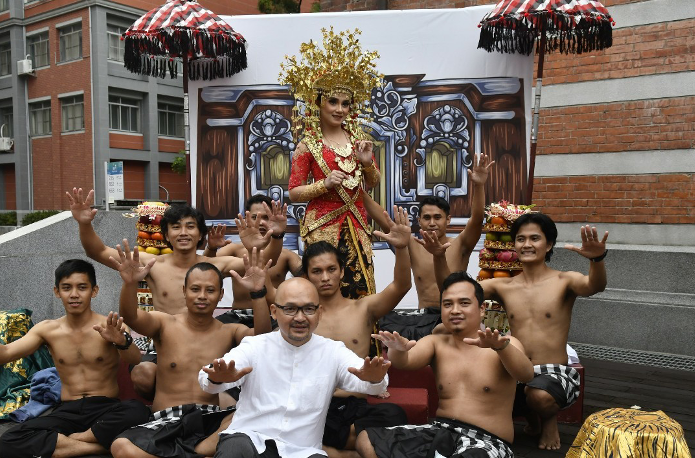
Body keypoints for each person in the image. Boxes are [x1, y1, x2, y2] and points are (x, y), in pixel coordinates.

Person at [174, 278, 391, 458]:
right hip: (250, 443)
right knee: (231, 450)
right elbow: (207, 379)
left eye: (308, 309)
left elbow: (367, 380)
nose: (300, 317)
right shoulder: (255, 346)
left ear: (319, 313)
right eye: (290, 309)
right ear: (275, 312)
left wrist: (375, 378)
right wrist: (219, 379)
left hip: (302, 453)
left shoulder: (332, 352)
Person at [348, 272, 534, 458]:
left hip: (488, 443)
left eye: (464, 303)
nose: (455, 310)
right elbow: (406, 362)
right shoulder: (437, 342)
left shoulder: (506, 343)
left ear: (481, 310)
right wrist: (397, 350)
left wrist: (501, 348)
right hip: (439, 434)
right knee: (365, 438)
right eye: (448, 304)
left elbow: (527, 374)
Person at [67, 188, 286, 398]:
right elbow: (97, 251)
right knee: (142, 375)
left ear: (200, 234)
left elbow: (265, 263)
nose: (183, 233)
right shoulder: (151, 263)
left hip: (207, 340)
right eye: (176, 227)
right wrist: (84, 224)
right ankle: (169, 405)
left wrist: (268, 240)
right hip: (164, 342)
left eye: (190, 227)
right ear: (166, 234)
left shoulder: (216, 265)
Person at [0, 259, 149, 458]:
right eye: (67, 288)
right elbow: (4, 354)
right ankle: (98, 445)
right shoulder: (47, 329)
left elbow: (135, 359)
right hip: (68, 410)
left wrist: (121, 341)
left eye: (82, 287)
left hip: (105, 407)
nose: (74, 294)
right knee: (9, 442)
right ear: (57, 292)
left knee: (137, 411)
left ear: (94, 291)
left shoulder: (110, 325)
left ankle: (77, 440)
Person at [108, 242, 272, 458]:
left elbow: (262, 338)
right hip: (168, 419)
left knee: (250, 418)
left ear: (221, 294)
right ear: (184, 291)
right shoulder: (164, 323)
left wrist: (258, 293)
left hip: (211, 421)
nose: (202, 296)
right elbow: (131, 317)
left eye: (210, 290)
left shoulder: (230, 330)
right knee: (121, 449)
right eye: (195, 289)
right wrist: (130, 283)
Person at [478, 214, 608, 450]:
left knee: (539, 395)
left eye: (535, 238)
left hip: (555, 374)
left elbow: (594, 286)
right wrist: (439, 256)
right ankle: (532, 421)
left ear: (548, 245)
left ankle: (548, 421)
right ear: (514, 245)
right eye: (520, 239)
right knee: (481, 390)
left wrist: (597, 259)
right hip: (516, 371)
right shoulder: (502, 286)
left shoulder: (564, 280)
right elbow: (460, 291)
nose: (527, 244)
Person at [297, 206, 413, 458]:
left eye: (331, 269)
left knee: (395, 414)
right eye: (317, 271)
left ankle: (326, 451)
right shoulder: (301, 318)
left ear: (341, 271)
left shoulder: (364, 308)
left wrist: (403, 248)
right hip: (318, 408)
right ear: (307, 275)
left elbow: (401, 286)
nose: (325, 277)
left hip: (356, 407)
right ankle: (363, 455)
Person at [282, 28, 384, 299]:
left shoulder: (358, 140)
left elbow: (371, 184)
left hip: (358, 225)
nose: (340, 109)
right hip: (323, 227)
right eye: (333, 102)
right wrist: (323, 184)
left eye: (346, 104)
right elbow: (293, 193)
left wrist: (367, 164)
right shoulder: (307, 146)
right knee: (322, 291)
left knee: (362, 289)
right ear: (318, 103)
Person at [376, 153, 494, 340]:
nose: (432, 223)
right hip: (424, 320)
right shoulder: (412, 245)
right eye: (427, 218)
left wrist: (479, 185)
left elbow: (477, 219)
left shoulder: (461, 244)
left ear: (448, 220)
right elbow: (381, 216)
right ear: (419, 220)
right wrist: (357, 191)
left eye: (437, 217)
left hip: (454, 318)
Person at [204, 194, 301, 328]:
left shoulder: (287, 255)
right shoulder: (233, 250)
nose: (260, 222)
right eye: (255, 217)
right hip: (237, 317)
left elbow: (308, 277)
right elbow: (204, 270)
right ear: (246, 219)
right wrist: (211, 248)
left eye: (266, 217)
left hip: (273, 318)